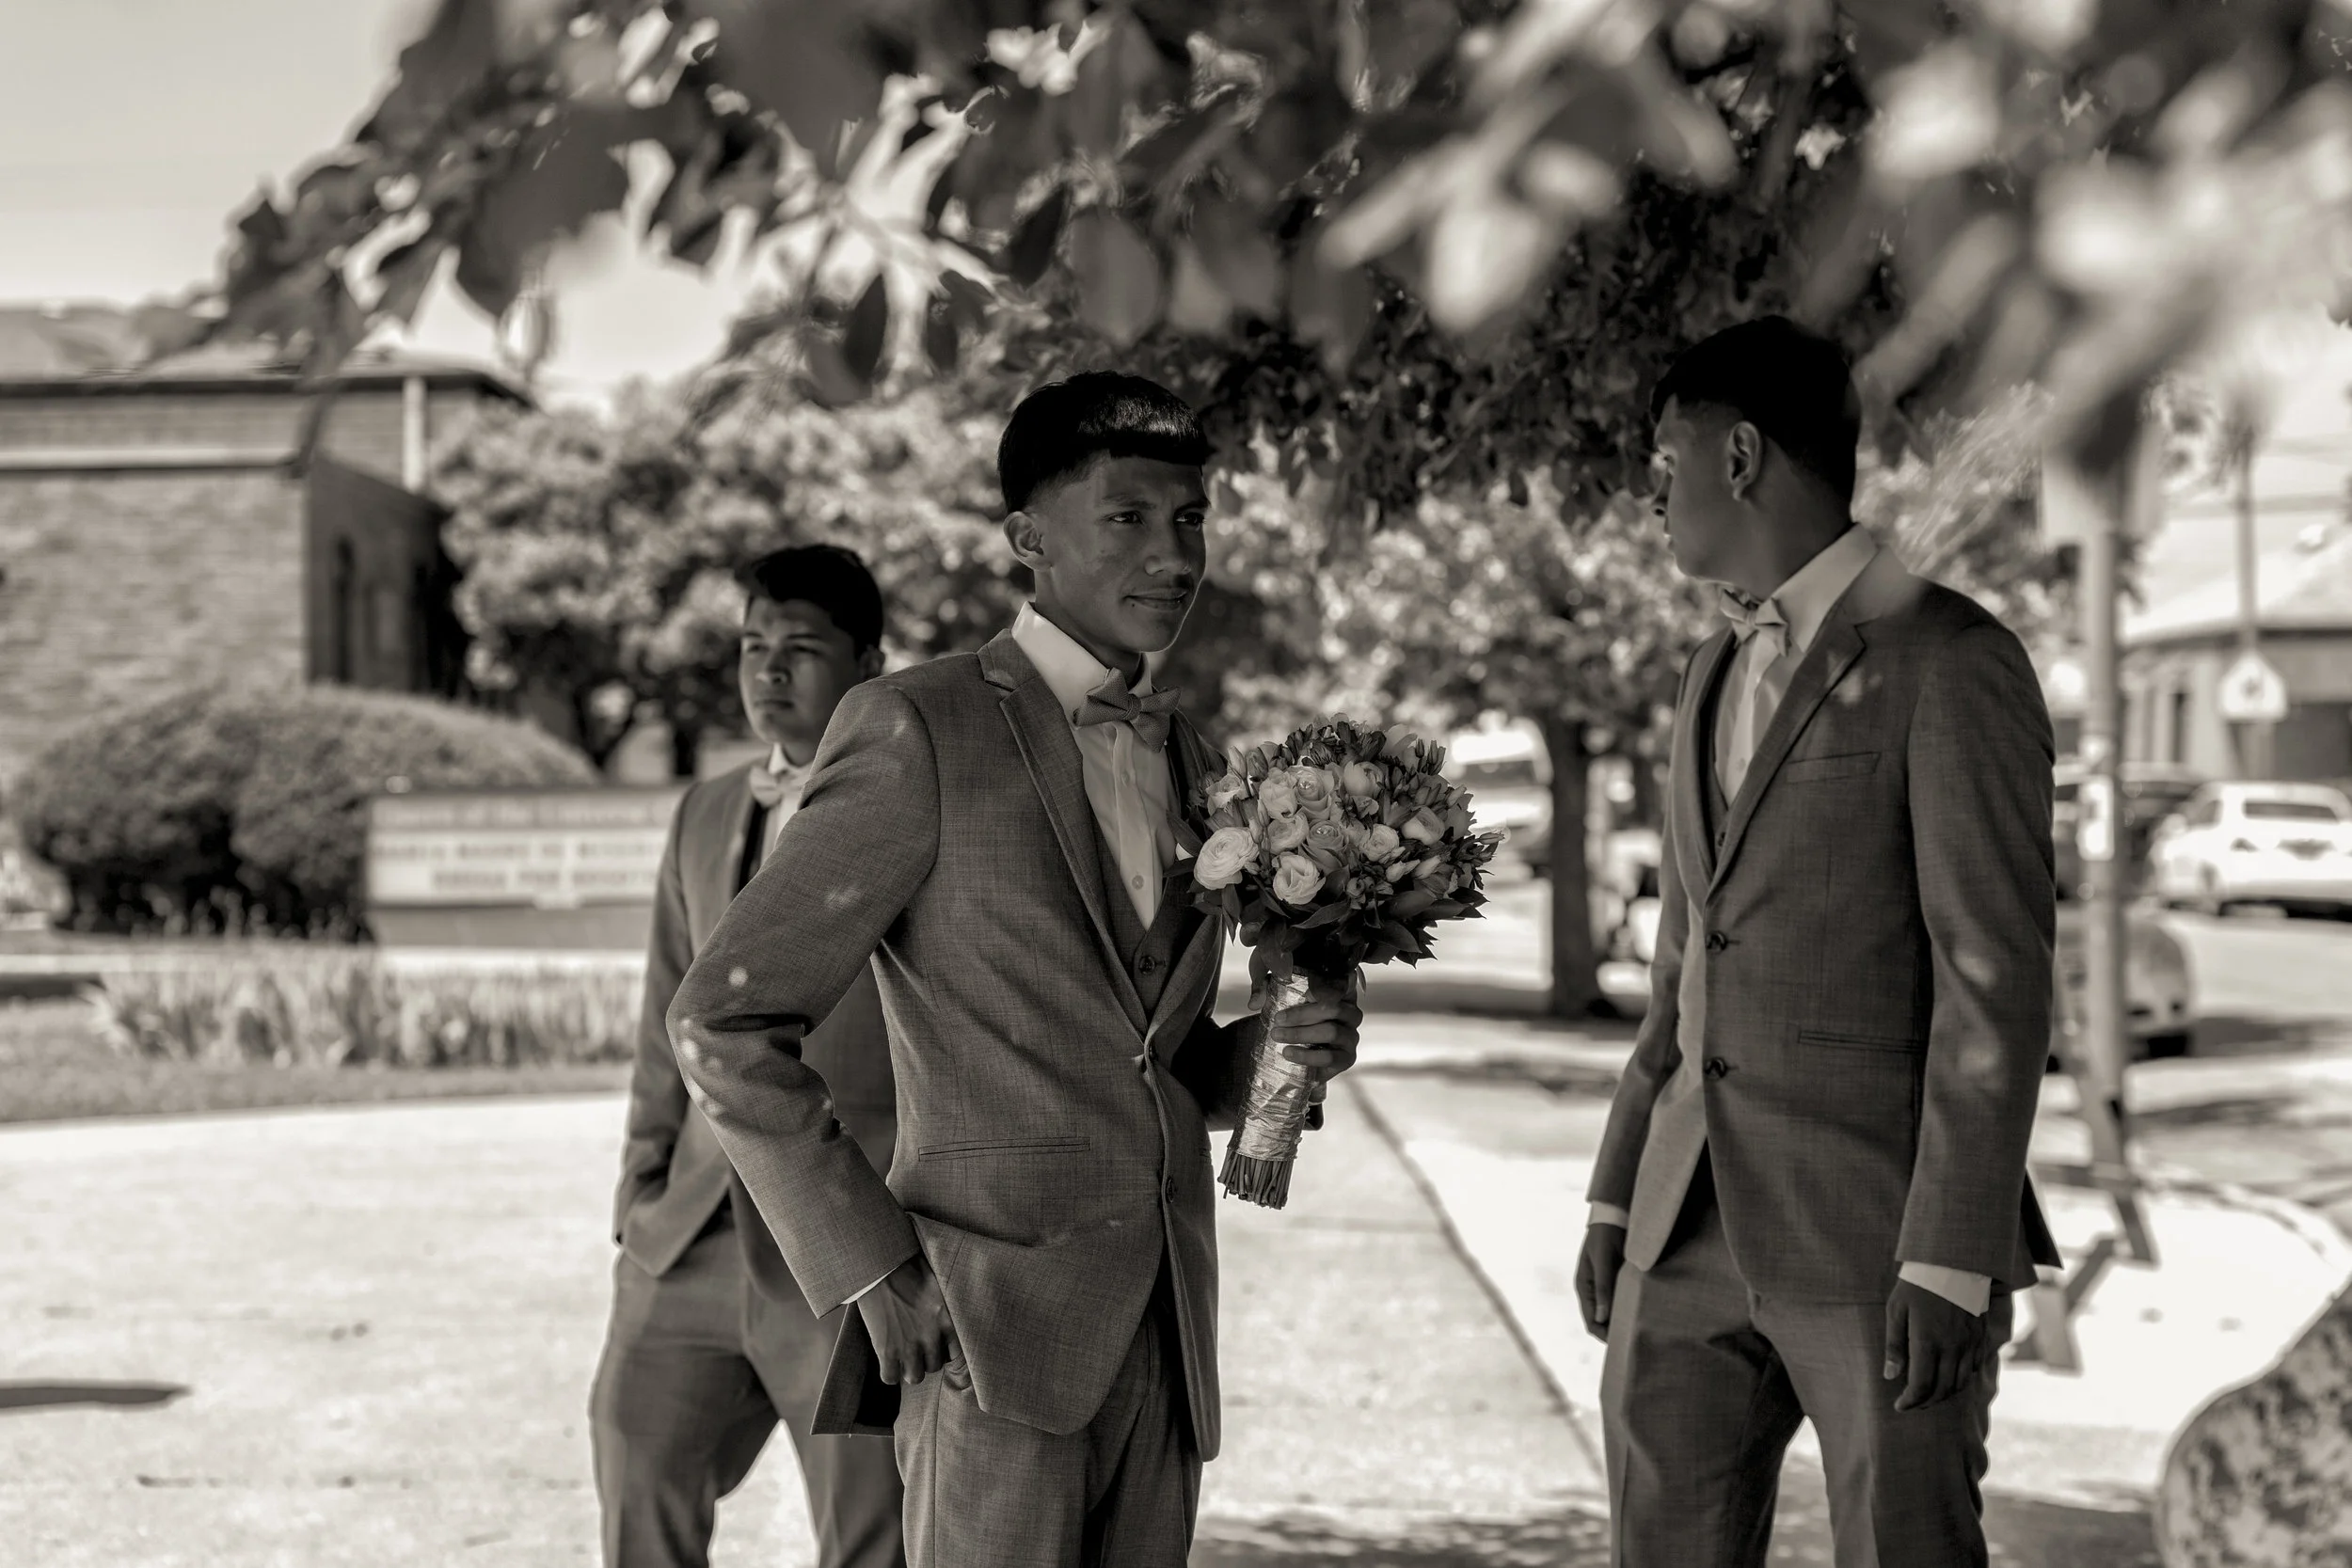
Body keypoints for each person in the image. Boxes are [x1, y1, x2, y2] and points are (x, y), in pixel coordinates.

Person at [665, 372, 1364, 1568]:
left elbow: (1153, 1059)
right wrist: (869, 1268)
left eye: (1191, 517)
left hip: (1164, 1331)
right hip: (977, 1331)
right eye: (1130, 516)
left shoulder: (1202, 758)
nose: (1175, 552)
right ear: (1028, 540)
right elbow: (721, 1020)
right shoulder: (914, 726)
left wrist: (1278, 1061)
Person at [1575, 316, 2064, 1568]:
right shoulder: (1705, 669)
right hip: (1680, 1231)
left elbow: (1991, 980)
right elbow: (1687, 967)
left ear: (1738, 455)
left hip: (1880, 1239)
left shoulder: (1952, 658)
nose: (1652, 495)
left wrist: (1952, 1256)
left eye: (1662, 464)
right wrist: (1618, 1185)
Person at [591, 545, 906, 1568]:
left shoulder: (918, 806)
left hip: (844, 1236)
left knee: (869, 1533)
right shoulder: (706, 808)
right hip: (684, 1233)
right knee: (637, 1471)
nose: (768, 672)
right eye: (754, 648)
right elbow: (661, 1018)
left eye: (801, 649)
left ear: (867, 662)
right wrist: (638, 1196)